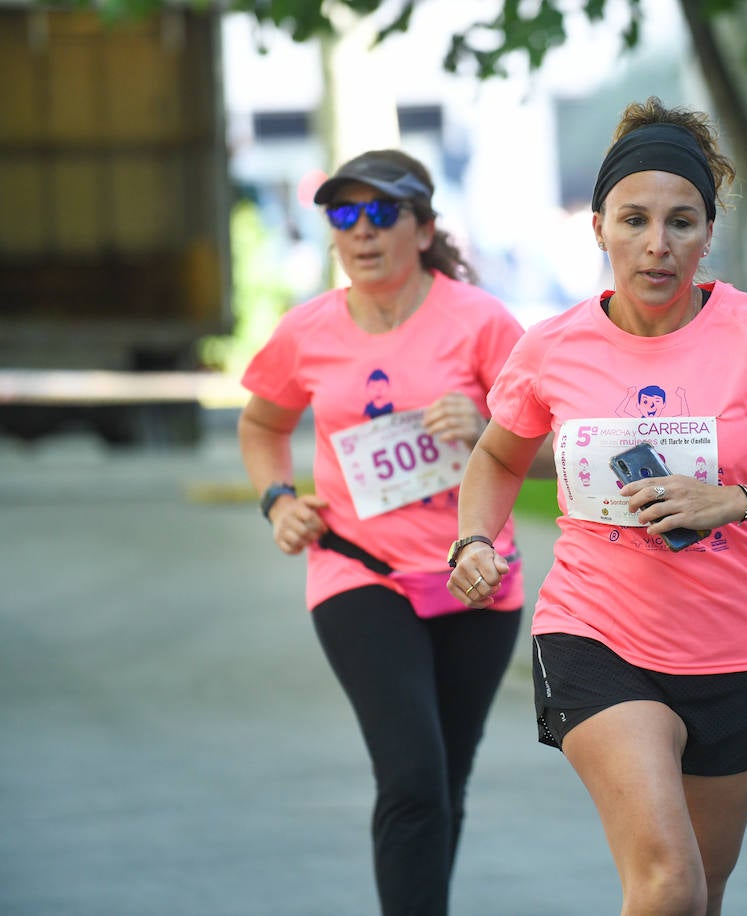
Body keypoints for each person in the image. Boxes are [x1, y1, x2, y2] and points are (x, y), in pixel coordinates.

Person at [448, 97, 747, 915]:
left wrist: (735, 500)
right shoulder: (553, 347)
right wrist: (474, 538)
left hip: (740, 649)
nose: (657, 244)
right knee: (666, 878)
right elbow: (498, 455)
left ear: (708, 234)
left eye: (681, 222)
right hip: (596, 633)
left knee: (699, 894)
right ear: (599, 227)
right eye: (634, 219)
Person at [238, 149, 532, 916]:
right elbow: (263, 423)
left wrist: (486, 428)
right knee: (411, 776)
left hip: (474, 571)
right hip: (356, 571)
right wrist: (277, 499)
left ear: (425, 227)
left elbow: (547, 448)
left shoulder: (483, 322)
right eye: (344, 215)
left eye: (381, 213)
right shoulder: (306, 331)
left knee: (443, 781)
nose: (361, 232)